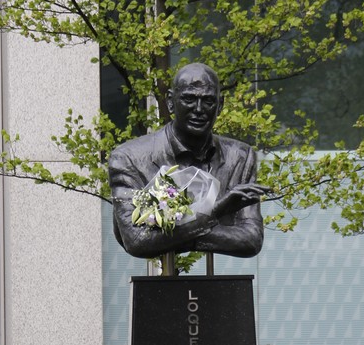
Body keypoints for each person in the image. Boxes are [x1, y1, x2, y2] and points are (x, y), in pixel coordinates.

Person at [107, 62, 265, 259]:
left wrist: (170, 238)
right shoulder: (128, 158)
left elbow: (251, 239)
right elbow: (136, 240)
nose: (198, 109)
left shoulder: (240, 156)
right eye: (189, 99)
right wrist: (213, 213)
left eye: (208, 101)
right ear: (171, 102)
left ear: (220, 105)